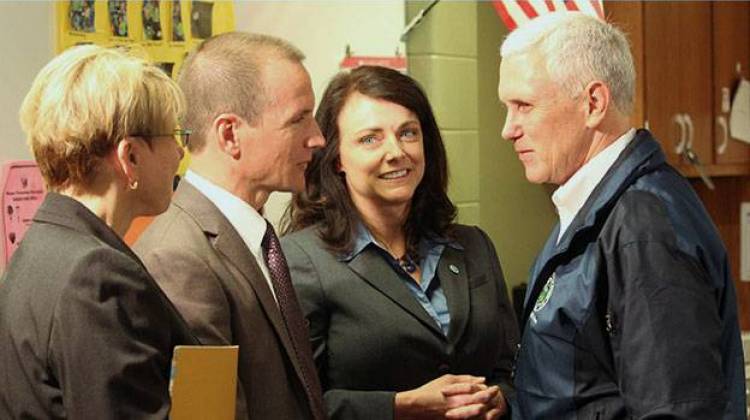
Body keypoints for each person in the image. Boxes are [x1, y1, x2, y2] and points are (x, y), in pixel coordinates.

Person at [497, 12, 746, 419]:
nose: (508, 129)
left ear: (593, 103)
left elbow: (675, 410)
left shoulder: (643, 227)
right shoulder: (595, 206)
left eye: (523, 105)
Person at [280, 65, 519, 420]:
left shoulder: (473, 245)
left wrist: (502, 398)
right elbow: (293, 404)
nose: (396, 151)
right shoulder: (300, 261)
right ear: (336, 158)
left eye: (408, 133)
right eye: (370, 139)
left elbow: (512, 365)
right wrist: (399, 407)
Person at [133, 32, 326, 420]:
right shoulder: (179, 259)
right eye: (298, 119)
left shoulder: (253, 236)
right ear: (230, 134)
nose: (318, 138)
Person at [0, 45, 197, 418]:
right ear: (131, 157)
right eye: (173, 135)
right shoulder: (95, 276)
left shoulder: (42, 246)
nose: (178, 152)